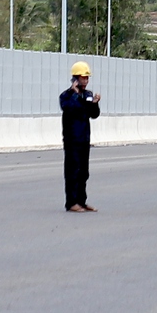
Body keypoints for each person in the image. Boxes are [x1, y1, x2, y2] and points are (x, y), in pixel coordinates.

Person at [60, 61, 101, 212]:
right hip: (72, 140)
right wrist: (75, 94)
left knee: (84, 172)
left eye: (87, 78)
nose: (86, 81)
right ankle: (71, 203)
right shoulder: (66, 96)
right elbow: (71, 108)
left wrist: (95, 104)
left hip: (84, 139)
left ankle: (82, 201)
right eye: (83, 78)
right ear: (75, 79)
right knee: (72, 172)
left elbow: (93, 114)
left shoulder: (88, 95)